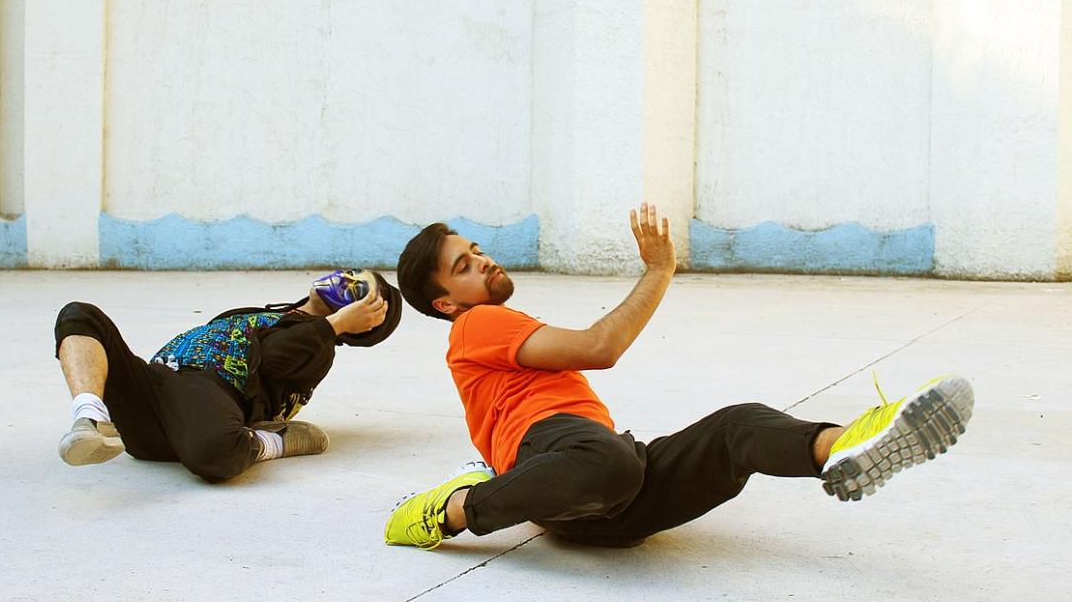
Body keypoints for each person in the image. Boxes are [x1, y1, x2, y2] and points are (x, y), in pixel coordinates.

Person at [385, 203, 974, 549]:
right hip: (563, 454)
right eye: (464, 265)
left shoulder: (497, 328)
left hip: (604, 498)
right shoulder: (477, 324)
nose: (484, 260)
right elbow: (600, 346)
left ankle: (847, 445)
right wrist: (660, 270)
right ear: (445, 304)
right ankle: (458, 508)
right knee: (607, 460)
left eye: (477, 249)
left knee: (737, 427)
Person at [54, 269, 401, 482]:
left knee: (215, 452)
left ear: (358, 320)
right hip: (153, 392)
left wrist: (335, 326)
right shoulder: (279, 314)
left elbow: (274, 359)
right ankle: (90, 420)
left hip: (206, 395)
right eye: (353, 272)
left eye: (356, 289)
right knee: (79, 315)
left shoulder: (320, 346)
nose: (345, 278)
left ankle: (272, 441)